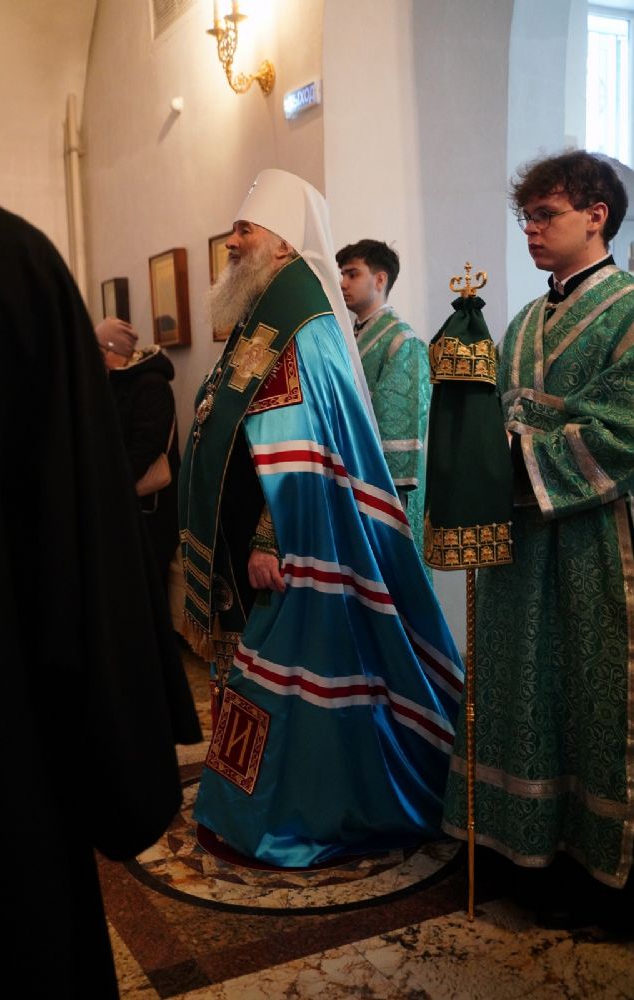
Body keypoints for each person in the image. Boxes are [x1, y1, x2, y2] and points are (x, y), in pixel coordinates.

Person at [179, 168, 464, 868]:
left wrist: (269, 537)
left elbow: (303, 446)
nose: (231, 242)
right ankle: (252, 808)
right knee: (268, 681)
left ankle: (289, 814)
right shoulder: (271, 313)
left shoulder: (300, 323)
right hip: (269, 541)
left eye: (244, 230)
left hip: (294, 544)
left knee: (293, 685)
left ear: (282, 243)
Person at [0, 188, 202, 996]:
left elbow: (139, 460)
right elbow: (73, 540)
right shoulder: (7, 263)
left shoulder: (144, 381)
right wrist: (122, 763)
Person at [442, 150, 634, 930]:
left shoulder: (627, 309)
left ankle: (588, 868)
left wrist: (512, 452)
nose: (529, 230)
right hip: (516, 544)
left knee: (588, 693)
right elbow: (491, 414)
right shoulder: (520, 320)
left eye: (545, 215)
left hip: (592, 540)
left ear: (596, 215)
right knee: (516, 688)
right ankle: (517, 847)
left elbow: (622, 428)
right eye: (524, 217)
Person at [336, 239, 430, 559]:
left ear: (379, 279)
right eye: (342, 274)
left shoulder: (402, 341)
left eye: (352, 274)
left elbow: (398, 428)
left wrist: (383, 498)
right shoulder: (347, 337)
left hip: (381, 489)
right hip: (346, 477)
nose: (343, 283)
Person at [95, 317, 181, 591]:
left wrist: (112, 485)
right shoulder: (119, 381)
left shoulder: (151, 384)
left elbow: (145, 446)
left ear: (112, 351)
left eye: (99, 351)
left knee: (149, 583)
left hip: (152, 508)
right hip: (131, 502)